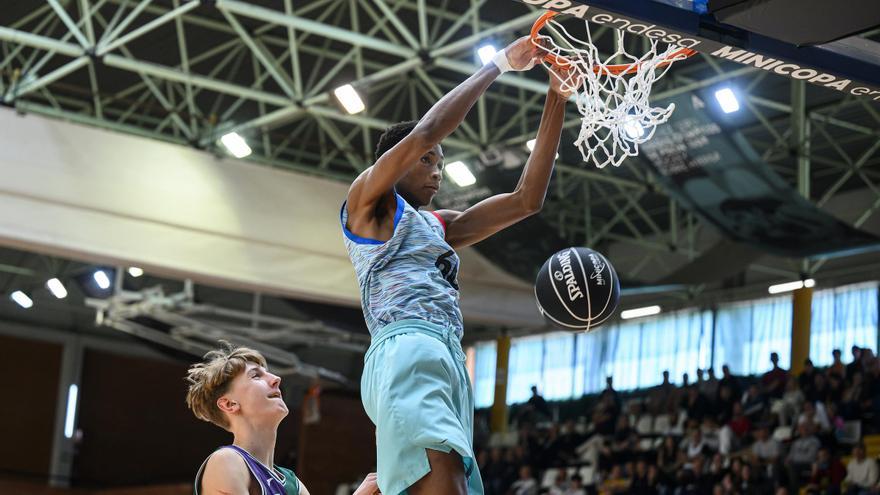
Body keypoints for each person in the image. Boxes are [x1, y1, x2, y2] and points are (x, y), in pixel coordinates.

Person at [341, 35, 573, 495]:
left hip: (447, 354)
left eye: (441, 163)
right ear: (395, 160)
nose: (436, 169)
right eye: (426, 160)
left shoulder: (435, 225)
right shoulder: (367, 202)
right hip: (406, 346)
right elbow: (427, 131)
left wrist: (557, 96)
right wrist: (500, 64)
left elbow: (526, 200)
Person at [185, 343, 379, 495]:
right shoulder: (227, 461)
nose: (276, 379)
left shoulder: (292, 483)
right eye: (255, 376)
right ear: (229, 404)